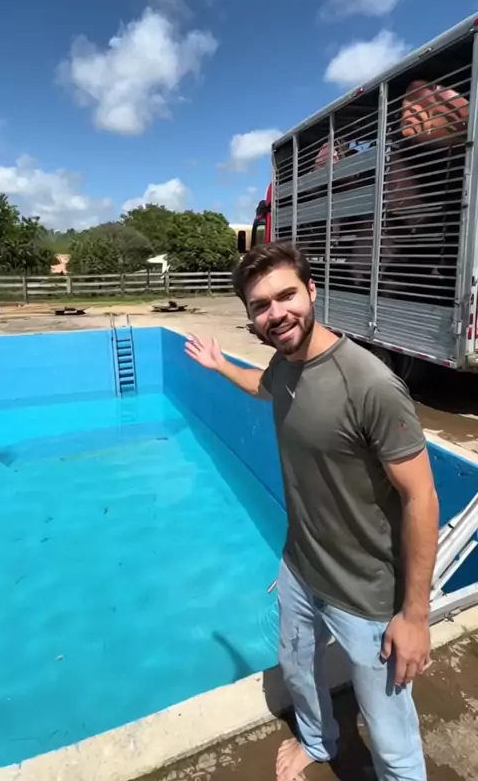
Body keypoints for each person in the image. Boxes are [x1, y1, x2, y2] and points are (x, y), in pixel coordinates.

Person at [185, 242, 439, 781]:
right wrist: (220, 364)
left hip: (366, 594)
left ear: (312, 291)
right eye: (260, 305)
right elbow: (264, 387)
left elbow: (421, 497)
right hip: (300, 567)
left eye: (286, 296)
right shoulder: (283, 364)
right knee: (297, 665)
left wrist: (414, 617)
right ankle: (319, 742)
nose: (276, 313)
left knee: (391, 737)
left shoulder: (369, 385)